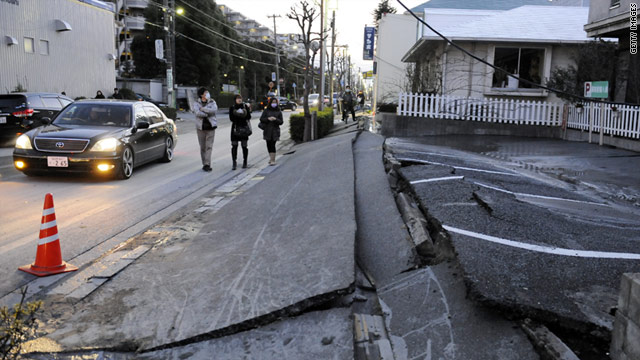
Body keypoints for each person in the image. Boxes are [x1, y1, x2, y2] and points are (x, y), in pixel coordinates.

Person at [193, 87, 218, 172]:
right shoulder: (196, 103)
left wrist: (203, 109)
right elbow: (197, 113)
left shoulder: (212, 101)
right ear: (201, 95)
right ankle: (204, 163)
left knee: (209, 146)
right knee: (202, 147)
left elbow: (214, 110)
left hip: (211, 127)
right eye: (205, 92)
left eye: (207, 92)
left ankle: (207, 164)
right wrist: (207, 113)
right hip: (200, 128)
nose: (207, 93)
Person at [229, 94, 252, 170]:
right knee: (234, 145)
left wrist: (245, 112)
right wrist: (238, 114)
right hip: (235, 128)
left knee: (244, 146)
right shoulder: (232, 107)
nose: (239, 100)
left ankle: (245, 161)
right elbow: (231, 118)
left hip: (244, 128)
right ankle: (234, 162)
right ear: (235, 100)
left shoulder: (245, 107)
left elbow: (249, 117)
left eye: (240, 98)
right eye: (237, 98)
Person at [259, 97, 283, 166]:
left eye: (275, 102)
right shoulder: (266, 111)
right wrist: (268, 119)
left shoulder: (279, 111)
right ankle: (271, 158)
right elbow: (261, 119)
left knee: (273, 144)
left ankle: (273, 160)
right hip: (267, 130)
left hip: (275, 130)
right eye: (273, 102)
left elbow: (281, 122)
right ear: (270, 103)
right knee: (268, 144)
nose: (274, 104)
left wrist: (275, 119)